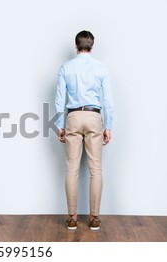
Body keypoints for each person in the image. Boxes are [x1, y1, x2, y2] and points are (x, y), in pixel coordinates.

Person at [55, 30, 114, 231]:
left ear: (76, 45)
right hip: (94, 116)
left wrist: (59, 125)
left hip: (72, 116)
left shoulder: (66, 67)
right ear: (92, 46)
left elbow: (59, 99)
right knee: (95, 169)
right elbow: (108, 101)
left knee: (71, 169)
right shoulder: (101, 68)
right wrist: (108, 126)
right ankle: (94, 218)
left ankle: (72, 218)